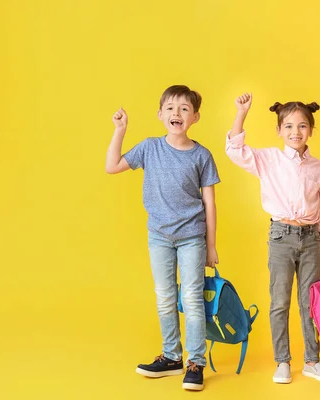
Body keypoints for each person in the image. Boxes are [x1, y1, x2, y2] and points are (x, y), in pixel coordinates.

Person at [105, 85, 220, 391]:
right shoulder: (149, 147)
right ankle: (171, 357)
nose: (176, 113)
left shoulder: (202, 155)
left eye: (184, 109)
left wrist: (210, 245)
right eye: (170, 108)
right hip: (159, 236)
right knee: (165, 296)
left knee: (192, 299)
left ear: (195, 117)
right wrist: (120, 130)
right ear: (160, 115)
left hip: (192, 237)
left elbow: (209, 202)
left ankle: (195, 362)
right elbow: (112, 166)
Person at [225, 93, 320, 384]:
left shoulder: (318, 168)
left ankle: (312, 360)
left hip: (311, 239)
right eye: (288, 126)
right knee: (279, 302)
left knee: (310, 302)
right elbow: (235, 150)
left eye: (301, 126)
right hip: (281, 236)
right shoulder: (269, 160)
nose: (295, 132)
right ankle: (282, 361)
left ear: (310, 130)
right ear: (278, 130)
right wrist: (241, 113)